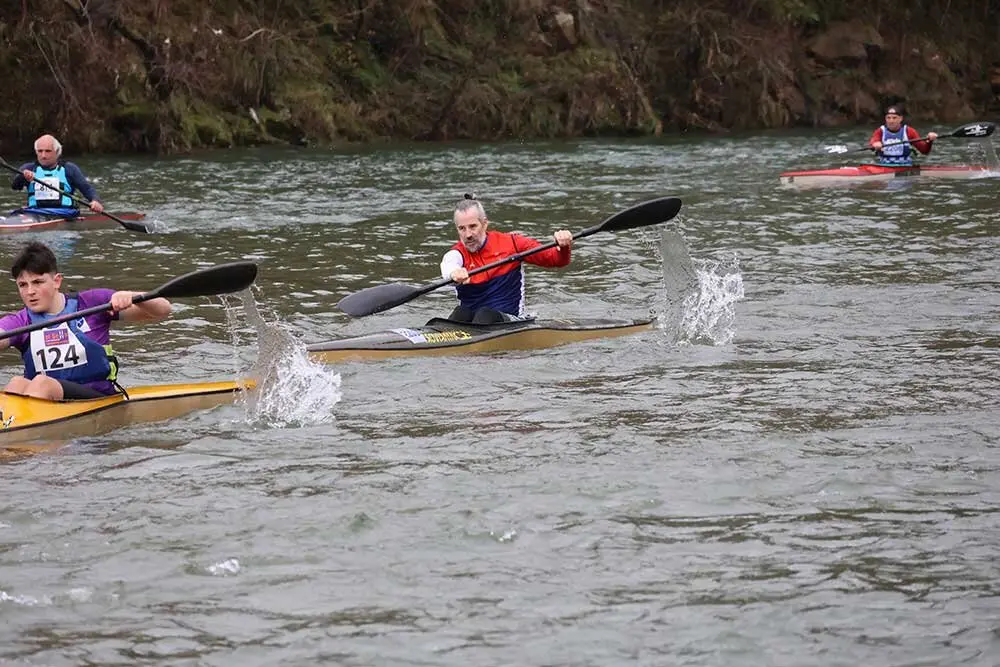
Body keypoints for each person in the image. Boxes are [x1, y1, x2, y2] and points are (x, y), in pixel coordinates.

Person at [0, 242, 171, 400]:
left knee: (42, 383)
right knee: (17, 383)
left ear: (57, 281)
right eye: (23, 285)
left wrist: (133, 297)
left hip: (97, 396)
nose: (30, 291)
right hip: (43, 400)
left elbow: (163, 310)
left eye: (38, 282)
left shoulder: (93, 303)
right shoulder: (20, 321)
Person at [440, 195, 572, 325]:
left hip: (510, 321)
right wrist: (454, 273)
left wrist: (563, 246)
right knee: (460, 313)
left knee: (485, 314)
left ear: (485, 224)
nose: (468, 235)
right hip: (472, 324)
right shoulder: (456, 254)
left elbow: (556, 260)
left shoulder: (512, 243)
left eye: (473, 226)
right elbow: (448, 265)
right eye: (462, 228)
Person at [9, 134, 105, 217]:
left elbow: (87, 189)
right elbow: (15, 186)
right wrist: (22, 177)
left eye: (48, 151)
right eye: (40, 151)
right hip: (35, 212)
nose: (43, 155)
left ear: (57, 152)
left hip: (64, 213)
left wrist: (95, 201)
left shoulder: (69, 169)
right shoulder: (28, 168)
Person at [868, 106, 938, 166]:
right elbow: (874, 140)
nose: (891, 121)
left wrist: (929, 141)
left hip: (905, 166)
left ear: (900, 119)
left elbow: (924, 151)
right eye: (888, 118)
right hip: (884, 165)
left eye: (894, 118)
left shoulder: (909, 131)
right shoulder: (880, 131)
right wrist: (875, 143)